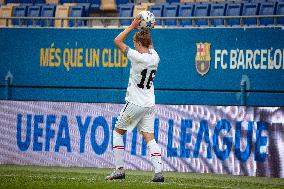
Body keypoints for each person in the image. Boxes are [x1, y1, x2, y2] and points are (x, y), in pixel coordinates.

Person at [105, 17, 164, 182]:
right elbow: (149, 45)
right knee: (149, 138)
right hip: (149, 104)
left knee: (117, 133)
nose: (134, 45)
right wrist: (147, 29)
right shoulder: (155, 57)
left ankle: (119, 170)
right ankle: (159, 172)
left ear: (138, 43)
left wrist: (132, 26)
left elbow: (117, 40)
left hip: (135, 103)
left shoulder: (136, 57)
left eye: (135, 42)